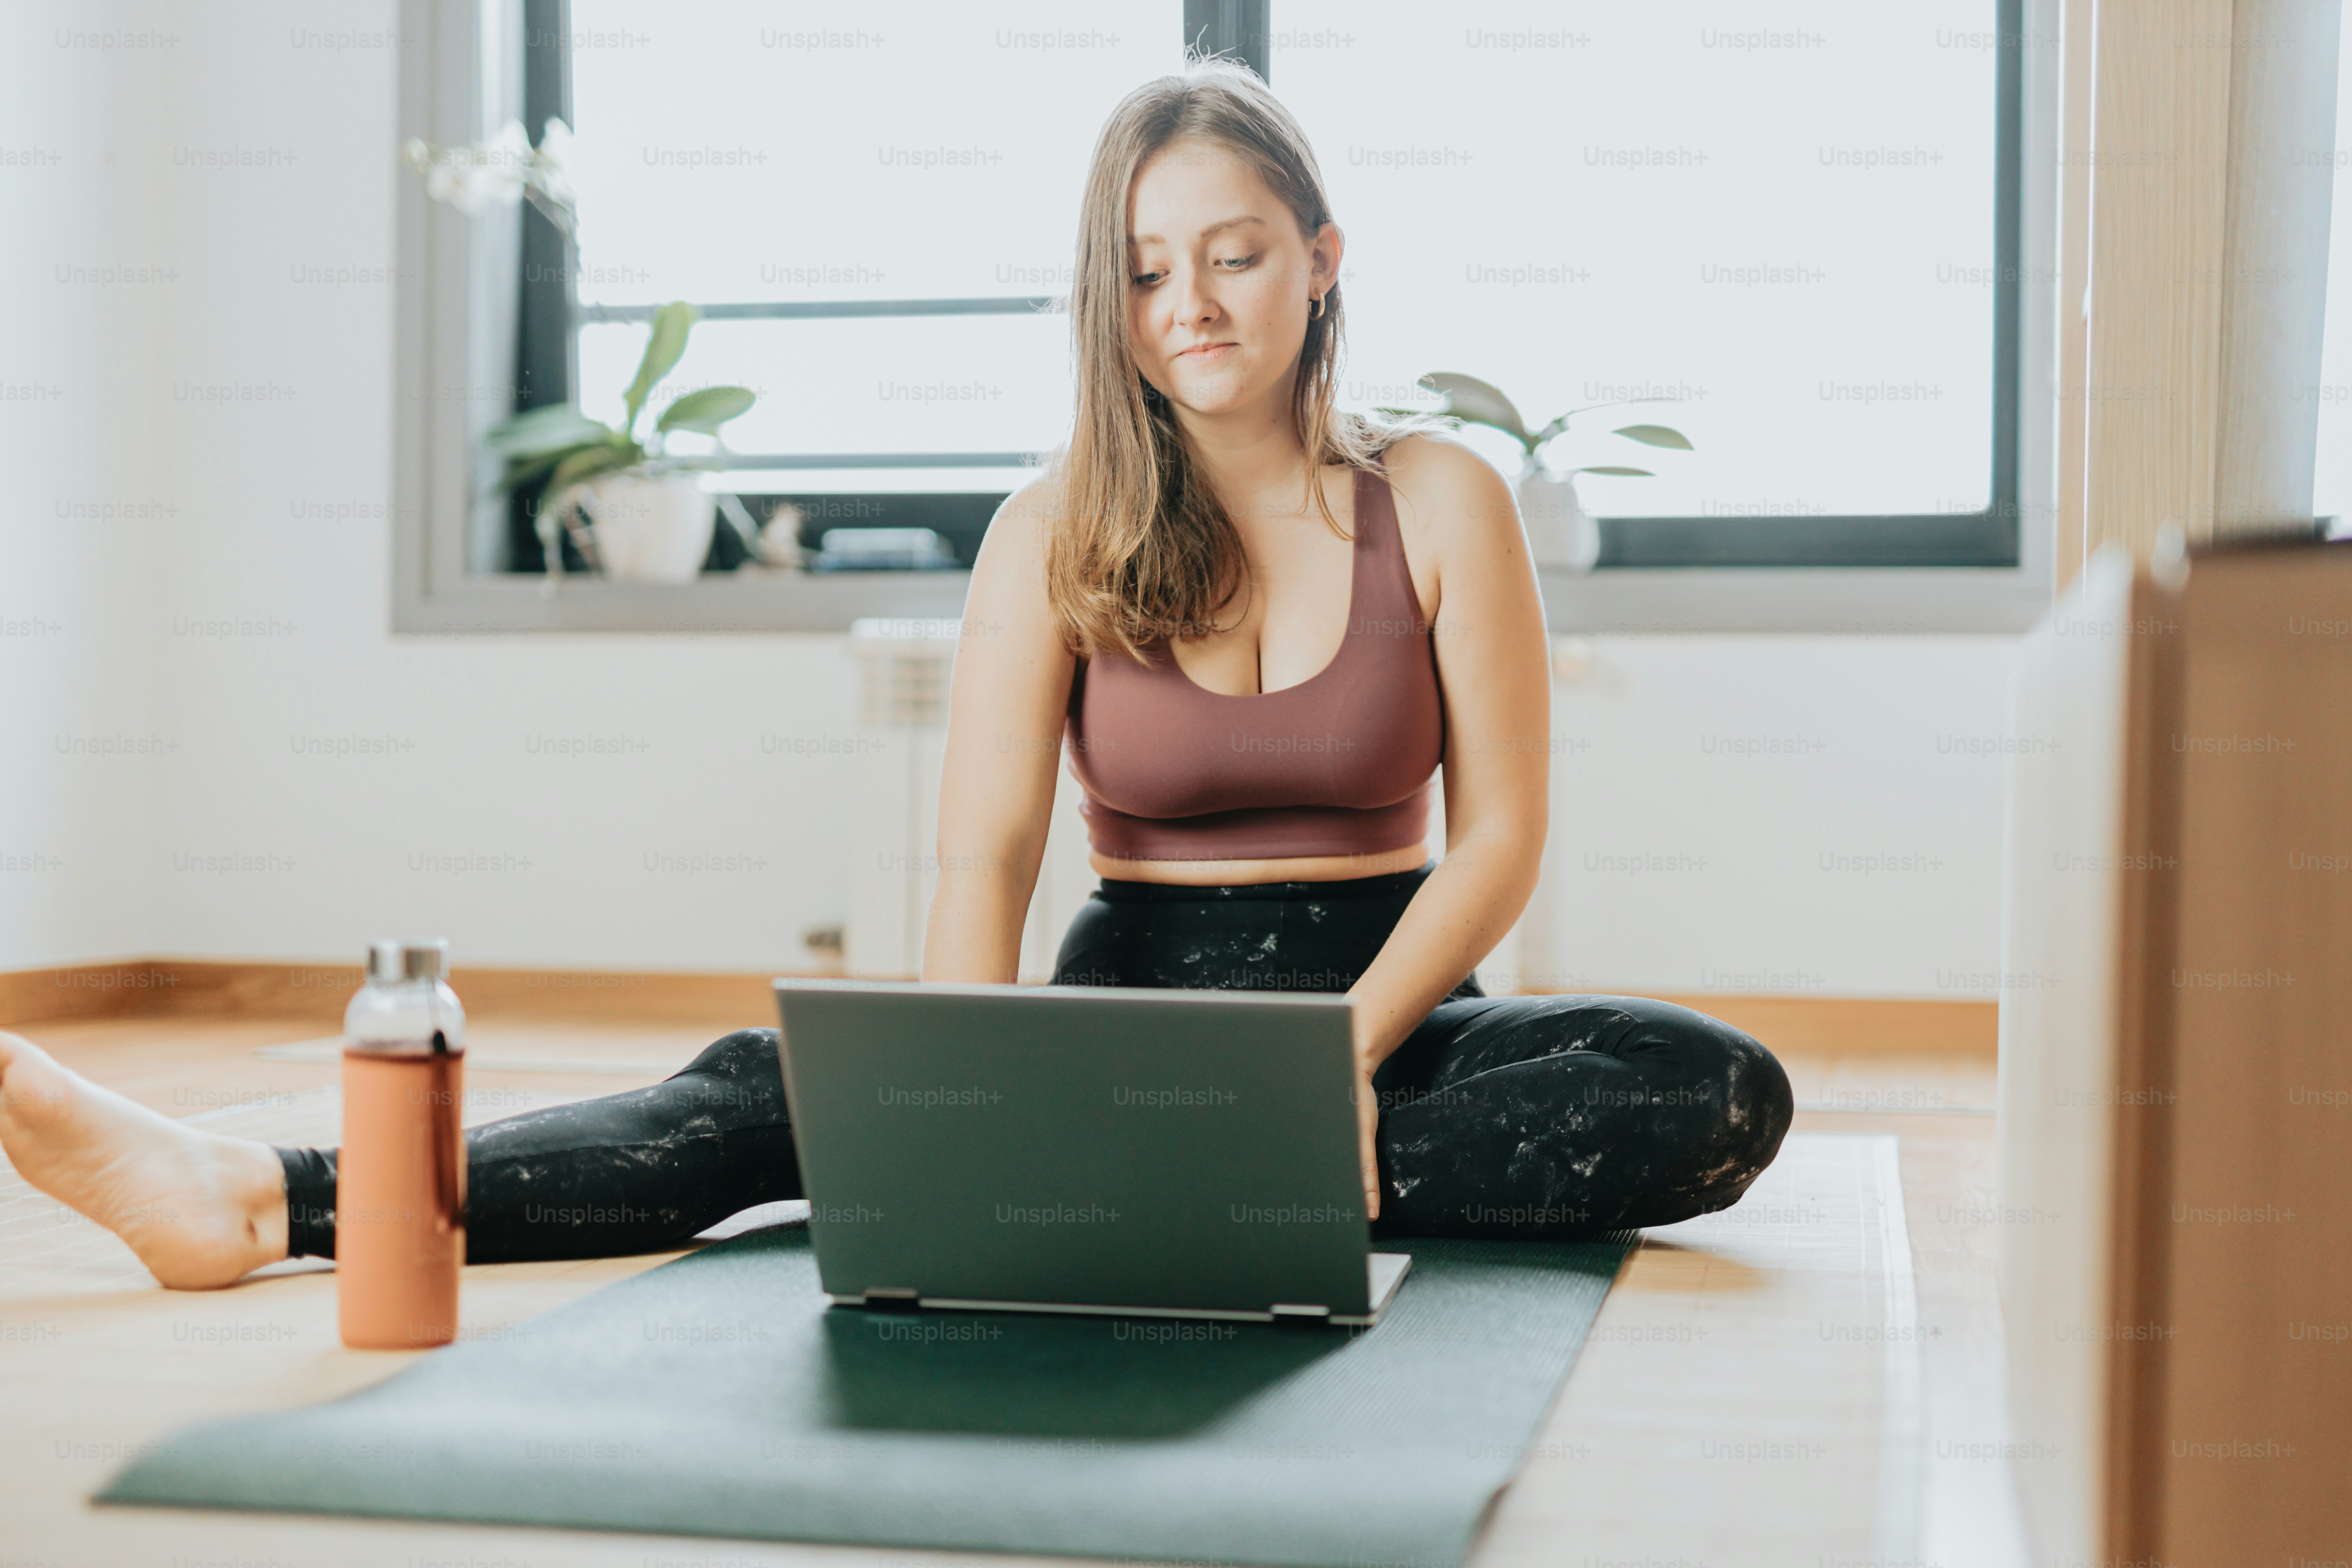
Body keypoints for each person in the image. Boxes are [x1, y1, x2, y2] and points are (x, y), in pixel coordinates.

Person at [0, 61, 1791, 1292]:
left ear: (1322, 264)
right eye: (1147, 268)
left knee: (1704, 1086)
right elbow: (985, 860)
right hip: (1128, 1021)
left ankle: (1195, 1191)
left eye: (1236, 254)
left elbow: (1497, 847)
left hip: (1390, 1030)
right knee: (758, 1098)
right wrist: (963, 1099)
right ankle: (253, 1195)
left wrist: (1333, 1051)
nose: (1192, 302)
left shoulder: (1443, 498)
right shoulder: (1053, 525)